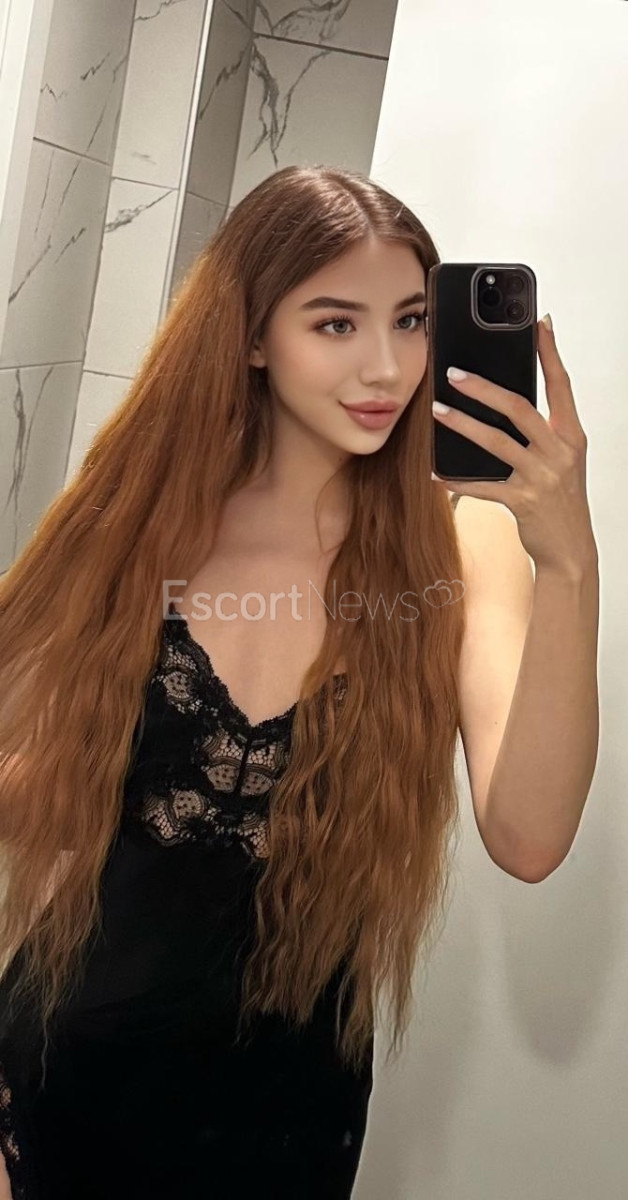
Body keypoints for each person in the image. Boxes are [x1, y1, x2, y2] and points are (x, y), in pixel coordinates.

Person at [0, 163, 477, 1199]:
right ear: (254, 337)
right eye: (336, 323)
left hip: (292, 1113)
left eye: (410, 321)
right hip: (70, 1075)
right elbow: (28, 801)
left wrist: (568, 561)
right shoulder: (139, 520)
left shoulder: (451, 556)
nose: (387, 366)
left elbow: (529, 837)